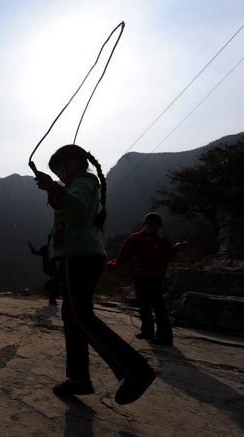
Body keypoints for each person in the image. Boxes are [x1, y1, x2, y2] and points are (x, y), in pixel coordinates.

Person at [33, 144, 156, 405]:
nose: (60, 176)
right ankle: (79, 378)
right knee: (73, 314)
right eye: (56, 173)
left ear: (75, 161)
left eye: (61, 169)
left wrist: (53, 188)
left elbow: (75, 206)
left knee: (80, 316)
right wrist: (55, 189)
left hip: (79, 256)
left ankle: (136, 371)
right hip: (78, 255)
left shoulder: (83, 182)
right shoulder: (82, 183)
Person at [107, 212, 186, 347]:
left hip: (154, 277)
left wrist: (175, 249)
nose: (153, 228)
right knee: (144, 304)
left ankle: (165, 337)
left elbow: (165, 257)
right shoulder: (134, 238)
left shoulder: (161, 241)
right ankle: (148, 331)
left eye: (156, 226)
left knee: (158, 305)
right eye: (151, 225)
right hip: (138, 276)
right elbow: (124, 254)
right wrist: (113, 265)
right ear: (145, 224)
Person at [28, 235, 60, 306]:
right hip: (49, 269)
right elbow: (36, 253)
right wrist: (31, 246)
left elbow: (36, 253)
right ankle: (52, 300)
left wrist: (31, 246)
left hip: (52, 269)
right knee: (55, 284)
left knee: (56, 284)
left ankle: (52, 299)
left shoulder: (51, 248)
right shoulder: (47, 248)